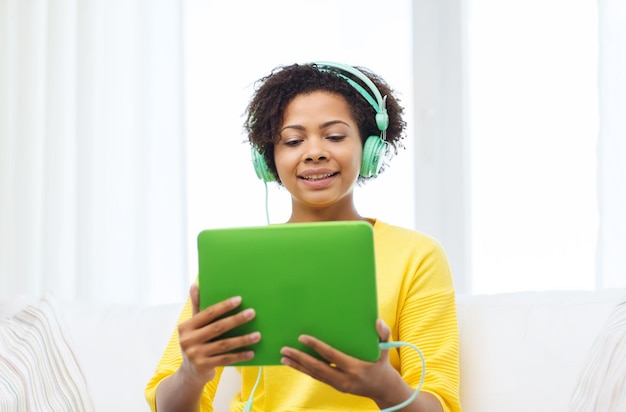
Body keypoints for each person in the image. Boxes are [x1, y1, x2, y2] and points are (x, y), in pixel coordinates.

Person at [145, 62, 461, 412]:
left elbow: (438, 405)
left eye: (335, 136)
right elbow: (167, 406)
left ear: (369, 147)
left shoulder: (416, 255)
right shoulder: (239, 259)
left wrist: (386, 389)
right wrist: (191, 373)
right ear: (269, 159)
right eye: (293, 141)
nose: (314, 152)